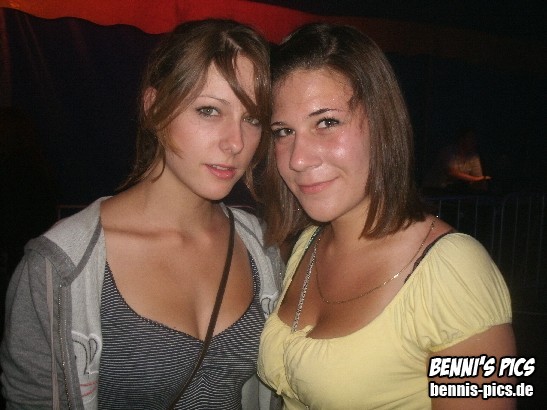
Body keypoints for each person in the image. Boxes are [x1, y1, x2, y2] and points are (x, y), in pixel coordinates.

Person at [1, 19, 283, 409]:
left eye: (252, 119)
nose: (235, 142)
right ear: (154, 108)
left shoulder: (263, 248)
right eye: (209, 111)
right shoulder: (61, 266)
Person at [258, 23, 515, 409]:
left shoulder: (456, 271)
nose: (298, 159)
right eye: (283, 132)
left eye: (326, 122)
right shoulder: (309, 244)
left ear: (381, 124)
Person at [423, 127, 491, 195]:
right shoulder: (448, 151)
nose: (474, 141)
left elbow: (478, 178)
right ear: (461, 139)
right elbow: (451, 172)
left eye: (475, 138)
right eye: (470, 138)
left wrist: (482, 184)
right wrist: (475, 179)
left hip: (452, 191)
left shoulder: (474, 156)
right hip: (434, 189)